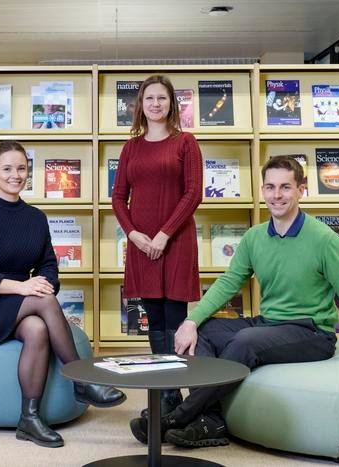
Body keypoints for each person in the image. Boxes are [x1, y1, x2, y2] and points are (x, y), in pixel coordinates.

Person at [129, 155, 339, 448]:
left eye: (285, 187)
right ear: (263, 191)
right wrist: (192, 321)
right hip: (269, 323)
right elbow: (228, 283)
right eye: (270, 187)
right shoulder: (255, 237)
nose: (277, 195)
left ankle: (173, 419)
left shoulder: (325, 240)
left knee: (245, 341)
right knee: (205, 332)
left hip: (311, 332)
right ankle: (210, 420)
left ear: (301, 190)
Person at [0, 141, 126, 448]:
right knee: (43, 301)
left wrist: (43, 283)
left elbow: (48, 264)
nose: (14, 175)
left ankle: (29, 420)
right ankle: (82, 379)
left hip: (24, 302)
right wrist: (24, 287)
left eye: (21, 168)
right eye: (6, 169)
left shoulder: (35, 218)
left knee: (36, 328)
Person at [112, 75, 202, 416]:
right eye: (149, 98)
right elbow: (119, 198)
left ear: (171, 104)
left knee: (176, 317)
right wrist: (133, 234)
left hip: (175, 240)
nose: (155, 104)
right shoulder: (131, 147)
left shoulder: (185, 142)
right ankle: (166, 394)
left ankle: (180, 390)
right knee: (154, 316)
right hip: (141, 242)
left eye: (161, 98)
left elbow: (193, 193)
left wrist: (165, 234)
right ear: (140, 105)